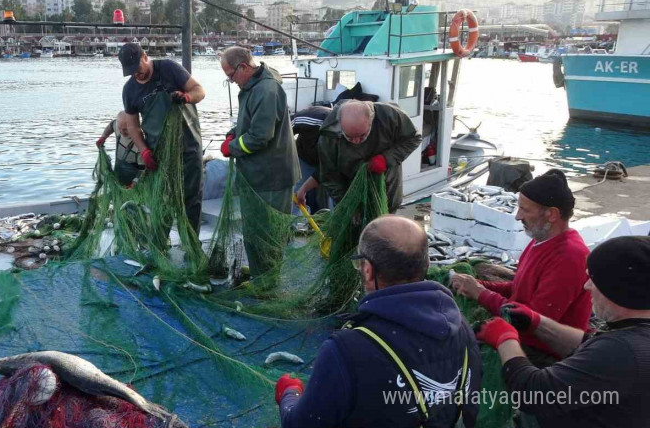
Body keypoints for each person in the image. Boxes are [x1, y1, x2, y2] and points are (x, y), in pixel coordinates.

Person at [276, 216, 482, 428]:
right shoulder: (462, 327)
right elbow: (470, 403)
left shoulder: (345, 350)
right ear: (427, 264)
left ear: (368, 270)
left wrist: (289, 394)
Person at [475, 236, 650, 428]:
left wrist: (505, 339)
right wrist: (537, 322)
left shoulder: (622, 351)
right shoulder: (635, 333)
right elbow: (590, 343)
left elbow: (533, 393)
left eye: (594, 280)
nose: (586, 286)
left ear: (619, 291)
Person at [451, 169, 591, 366]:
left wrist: (481, 294)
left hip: (544, 353)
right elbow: (518, 288)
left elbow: (532, 321)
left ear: (551, 214)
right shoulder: (541, 240)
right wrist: (477, 285)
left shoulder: (570, 256)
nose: (517, 217)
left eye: (524, 210)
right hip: (523, 335)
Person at [218, 46, 299, 277]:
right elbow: (250, 123)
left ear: (243, 67)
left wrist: (231, 147)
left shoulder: (266, 90)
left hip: (271, 177)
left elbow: (261, 136)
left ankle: (268, 285)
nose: (231, 81)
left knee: (268, 233)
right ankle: (259, 276)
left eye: (230, 76)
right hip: (257, 174)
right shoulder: (252, 86)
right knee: (255, 231)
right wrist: (234, 132)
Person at [118, 42, 205, 233]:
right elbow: (133, 125)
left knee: (191, 198)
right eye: (131, 71)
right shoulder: (129, 90)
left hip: (188, 146)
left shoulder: (168, 68)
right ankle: (161, 244)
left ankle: (192, 245)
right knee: (162, 200)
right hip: (159, 152)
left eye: (138, 68)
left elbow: (199, 90)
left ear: (145, 57)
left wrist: (187, 97)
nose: (136, 74)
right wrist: (144, 150)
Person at [296, 100, 421, 214]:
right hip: (349, 191)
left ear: (371, 120)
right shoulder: (329, 135)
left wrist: (386, 158)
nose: (356, 141)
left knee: (384, 231)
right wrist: (347, 204)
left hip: (387, 188)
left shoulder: (390, 116)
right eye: (350, 137)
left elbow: (413, 138)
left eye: (362, 135)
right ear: (340, 126)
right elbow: (329, 175)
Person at [291, 105, 331, 213]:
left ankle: (332, 223)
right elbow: (286, 131)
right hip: (305, 158)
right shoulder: (311, 118)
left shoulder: (349, 137)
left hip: (327, 164)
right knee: (296, 190)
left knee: (332, 193)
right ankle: (292, 222)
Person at [96, 111, 144, 186]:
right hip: (118, 180)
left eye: (125, 129)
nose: (122, 132)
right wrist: (103, 137)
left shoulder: (140, 145)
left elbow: (143, 170)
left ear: (134, 126)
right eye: (119, 128)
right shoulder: (119, 127)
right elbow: (111, 125)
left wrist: (135, 182)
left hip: (133, 184)